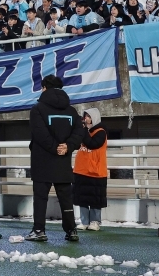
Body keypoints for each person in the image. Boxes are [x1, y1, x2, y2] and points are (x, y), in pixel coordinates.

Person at [26, 75, 84, 243]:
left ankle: (39, 230)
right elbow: (79, 132)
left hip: (42, 160)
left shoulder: (37, 109)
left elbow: (40, 133)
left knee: (40, 198)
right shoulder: (71, 111)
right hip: (63, 161)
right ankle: (72, 230)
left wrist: (54, 147)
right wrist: (67, 146)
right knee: (66, 198)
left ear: (44, 87)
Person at [73, 108, 108, 231]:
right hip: (81, 170)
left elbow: (92, 144)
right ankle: (84, 221)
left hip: (95, 171)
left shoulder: (100, 132)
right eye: (85, 116)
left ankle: (95, 221)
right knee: (81, 198)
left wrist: (83, 131)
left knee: (95, 199)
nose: (86, 119)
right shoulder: (84, 132)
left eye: (88, 116)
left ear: (94, 117)